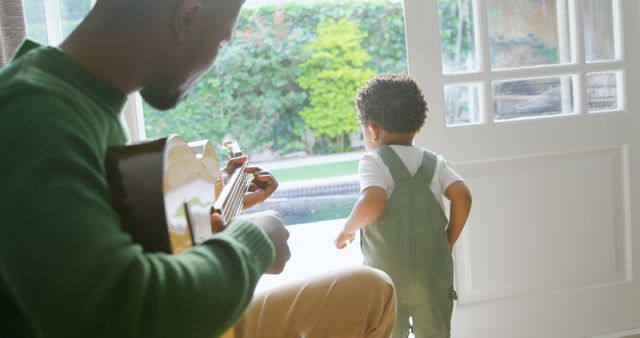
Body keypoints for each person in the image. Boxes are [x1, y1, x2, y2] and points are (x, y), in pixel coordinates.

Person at [0, 1, 396, 337]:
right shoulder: (33, 115)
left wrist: (218, 200)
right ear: (186, 17)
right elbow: (119, 316)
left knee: (370, 291)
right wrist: (252, 242)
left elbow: (122, 243)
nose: (214, 58)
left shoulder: (80, 104)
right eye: (221, 40)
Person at [334, 73, 472, 338]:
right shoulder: (435, 163)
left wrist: (347, 230)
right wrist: (449, 240)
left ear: (372, 129)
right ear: (417, 125)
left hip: (388, 277)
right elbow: (463, 196)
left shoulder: (374, 161)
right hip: (432, 271)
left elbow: (372, 204)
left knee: (385, 330)